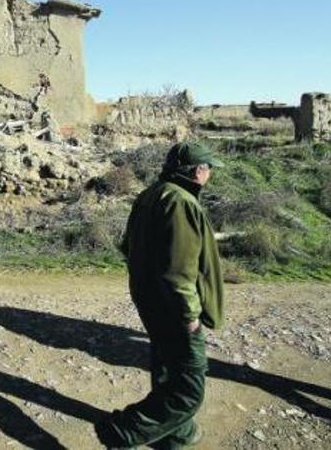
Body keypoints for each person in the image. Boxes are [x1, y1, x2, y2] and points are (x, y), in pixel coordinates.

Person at [94, 142, 225, 449]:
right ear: (198, 171)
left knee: (167, 371)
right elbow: (179, 271)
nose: (211, 174)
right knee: (189, 391)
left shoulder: (150, 194)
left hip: (151, 299)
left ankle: (175, 434)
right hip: (173, 307)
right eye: (209, 168)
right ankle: (123, 431)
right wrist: (189, 316)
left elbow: (128, 247)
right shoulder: (180, 202)